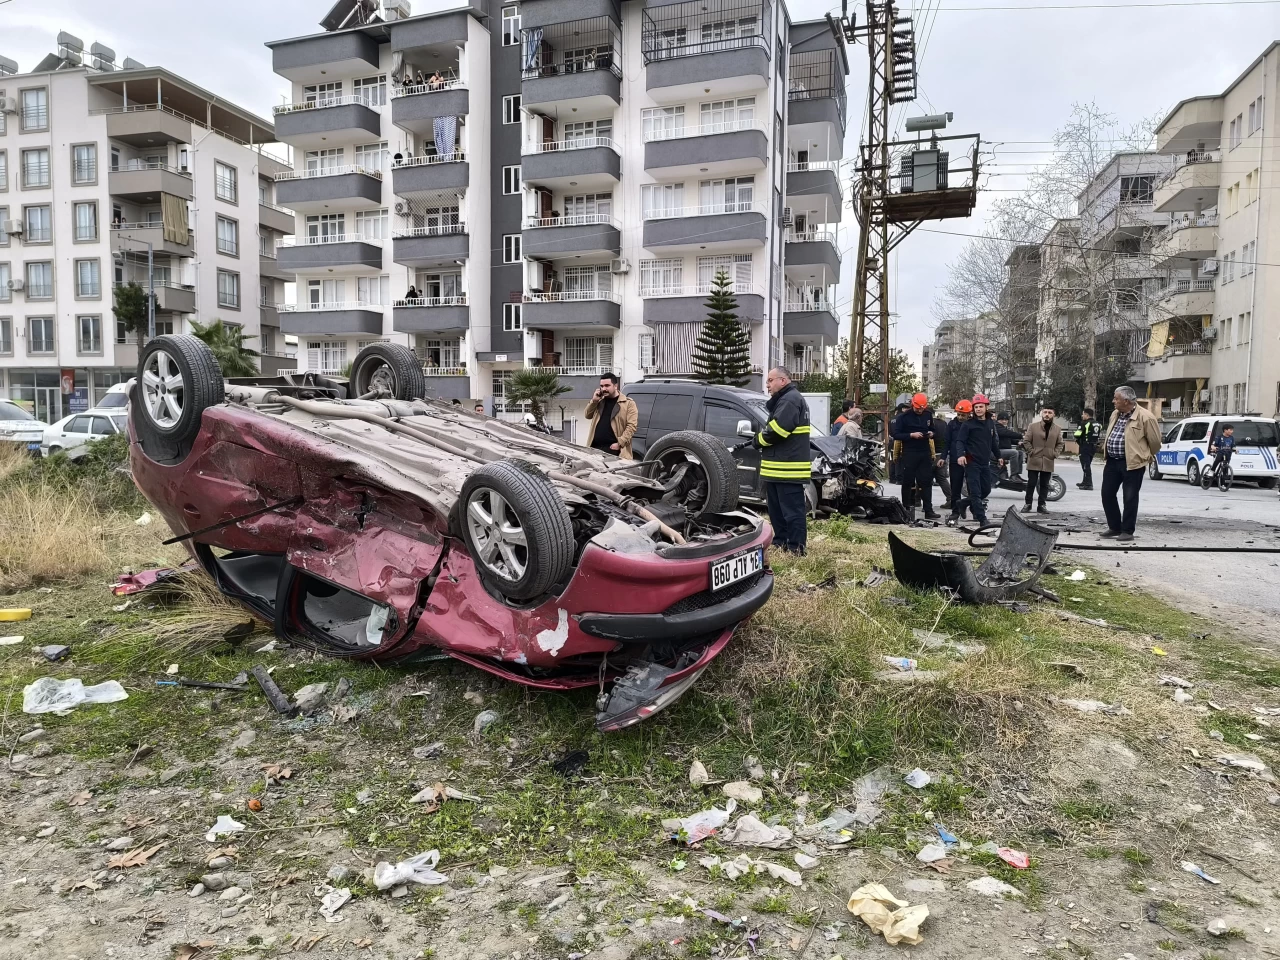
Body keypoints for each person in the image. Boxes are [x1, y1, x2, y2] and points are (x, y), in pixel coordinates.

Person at [750, 367, 812, 554]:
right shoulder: (786, 399)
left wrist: (757, 441)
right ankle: (782, 542)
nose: (767, 385)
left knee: (792, 512)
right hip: (778, 469)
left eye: (770, 380)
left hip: (788, 469)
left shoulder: (790, 399)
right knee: (777, 512)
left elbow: (778, 430)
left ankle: (796, 548)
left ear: (783, 381)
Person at [1100, 386, 1163, 542]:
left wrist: (1143, 456)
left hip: (1133, 464)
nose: (1113, 401)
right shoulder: (1115, 414)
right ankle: (1114, 527)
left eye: (1116, 398)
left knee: (1129, 497)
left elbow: (1155, 442)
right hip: (1113, 461)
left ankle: (1127, 531)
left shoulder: (1146, 417)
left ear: (1126, 401)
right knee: (1107, 494)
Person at [891, 392, 941, 520]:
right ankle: (906, 508)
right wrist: (911, 435)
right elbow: (896, 434)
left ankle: (928, 509)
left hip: (924, 452)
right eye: (918, 408)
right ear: (913, 405)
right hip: (909, 452)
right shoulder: (903, 417)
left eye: (922, 408)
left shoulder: (928, 414)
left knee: (926, 481)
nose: (920, 410)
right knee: (908, 481)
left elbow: (934, 430)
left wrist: (931, 433)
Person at [955, 394, 1002, 530]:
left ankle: (963, 503)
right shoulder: (968, 425)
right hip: (971, 462)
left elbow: (993, 442)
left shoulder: (990, 423)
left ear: (986, 407)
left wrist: (998, 456)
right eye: (976, 407)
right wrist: (961, 455)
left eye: (981, 406)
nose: (978, 409)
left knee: (986, 489)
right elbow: (960, 441)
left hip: (984, 462)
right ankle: (982, 519)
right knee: (975, 492)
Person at [584, 372, 639, 459]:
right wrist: (594, 401)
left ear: (615, 386)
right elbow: (587, 415)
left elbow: (632, 426)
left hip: (614, 451)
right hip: (595, 449)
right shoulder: (599, 401)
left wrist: (620, 443)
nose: (604, 389)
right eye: (601, 386)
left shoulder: (628, 403)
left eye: (607, 385)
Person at [1021, 406, 1065, 515]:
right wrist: (1031, 452)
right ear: (1041, 413)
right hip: (1034, 458)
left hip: (1048, 459)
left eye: (1049, 412)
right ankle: (1028, 504)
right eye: (1045, 412)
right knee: (1031, 483)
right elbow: (1026, 441)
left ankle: (1042, 505)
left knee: (1045, 484)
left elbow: (1060, 443)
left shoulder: (1057, 428)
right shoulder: (1033, 426)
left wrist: (1055, 453)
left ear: (1053, 414)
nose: (1047, 414)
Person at [945, 400, 973, 524]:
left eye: (963, 415)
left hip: (971, 459)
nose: (960, 417)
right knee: (955, 487)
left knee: (973, 487)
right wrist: (943, 457)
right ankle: (955, 511)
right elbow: (946, 442)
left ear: (969, 414)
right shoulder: (951, 425)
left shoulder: (973, 424)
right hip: (955, 460)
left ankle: (975, 510)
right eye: (959, 414)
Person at [1074, 407, 1101, 490]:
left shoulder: (1085, 423)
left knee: (1086, 465)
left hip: (1085, 446)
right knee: (1087, 464)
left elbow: (1077, 434)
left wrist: (1078, 437)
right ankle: (1085, 481)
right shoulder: (1098, 424)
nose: (1082, 416)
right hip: (1093, 446)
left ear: (1086, 415)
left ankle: (1089, 484)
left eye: (1083, 414)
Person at [995, 412, 1025, 479]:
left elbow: (1008, 438)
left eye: (1006, 420)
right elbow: (1007, 434)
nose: (1004, 421)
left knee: (1020, 453)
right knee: (1014, 453)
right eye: (1002, 419)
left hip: (1003, 450)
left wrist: (1018, 442)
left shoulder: (1003, 428)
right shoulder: (996, 427)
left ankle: (1017, 474)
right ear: (998, 420)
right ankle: (1013, 475)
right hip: (996, 451)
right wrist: (1021, 436)